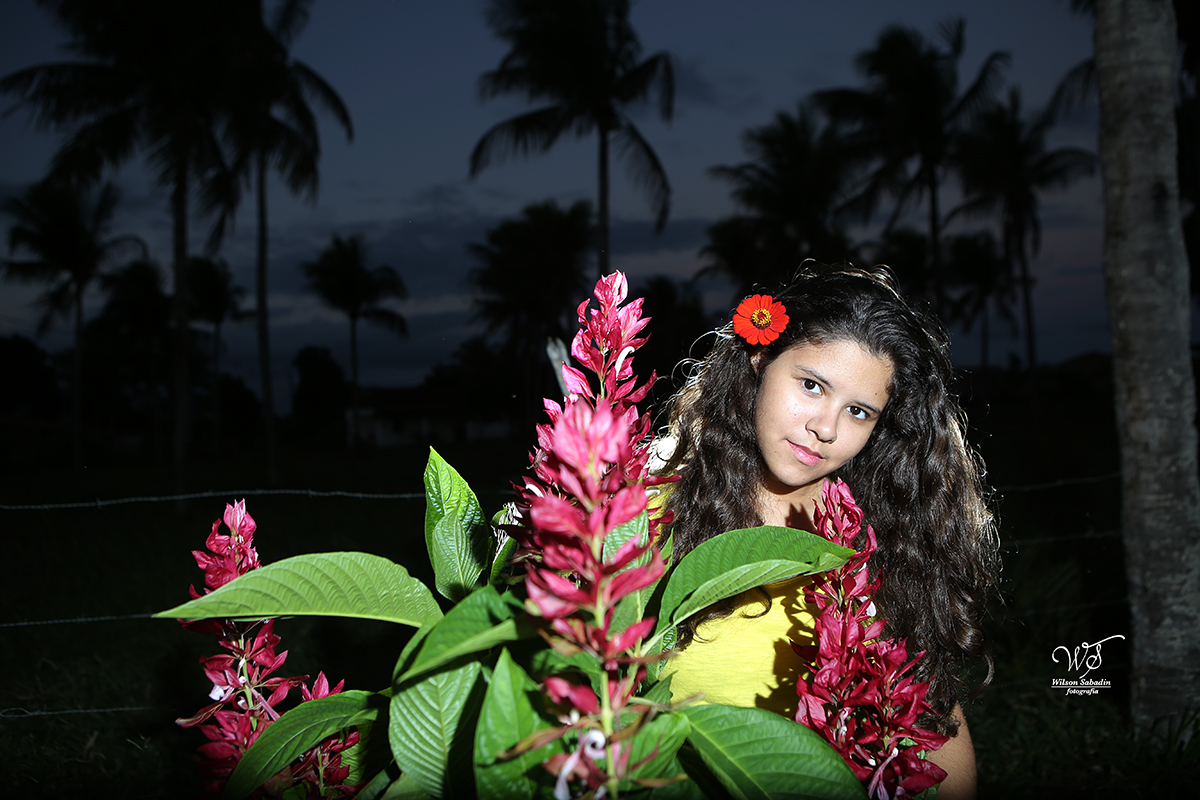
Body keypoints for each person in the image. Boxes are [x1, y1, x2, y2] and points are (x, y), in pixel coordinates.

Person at [655, 264, 999, 799]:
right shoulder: (645, 512)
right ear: (760, 359)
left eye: (859, 411)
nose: (827, 428)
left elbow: (931, 717)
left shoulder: (887, 532)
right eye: (812, 385)